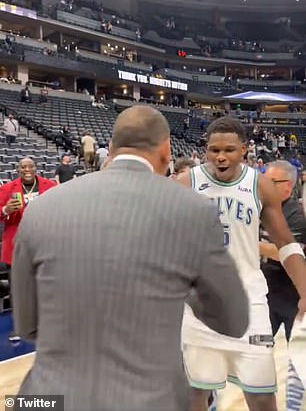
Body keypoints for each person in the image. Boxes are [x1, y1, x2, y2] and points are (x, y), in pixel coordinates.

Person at [12, 106, 249, 411]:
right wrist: (181, 287)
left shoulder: (42, 207)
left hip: (44, 400)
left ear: (110, 149)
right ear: (166, 152)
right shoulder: (194, 210)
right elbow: (234, 320)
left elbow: (27, 325)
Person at [178, 117, 306, 411]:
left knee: (261, 396)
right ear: (206, 150)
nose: (221, 156)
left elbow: (286, 243)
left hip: (250, 302)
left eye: (229, 150)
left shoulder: (258, 185)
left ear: (244, 150)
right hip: (199, 305)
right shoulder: (187, 183)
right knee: (194, 391)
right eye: (214, 150)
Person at [261, 161, 306, 411]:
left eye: (270, 181)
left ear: (287, 187)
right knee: (258, 352)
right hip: (267, 294)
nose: (264, 185)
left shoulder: (296, 216)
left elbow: (288, 253)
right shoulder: (267, 210)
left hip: (294, 297)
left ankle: (294, 405)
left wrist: (253, 244)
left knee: (297, 356)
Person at [0, 158, 55, 341]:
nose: (27, 169)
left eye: (30, 166)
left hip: (43, 242)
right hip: (16, 245)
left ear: (35, 168)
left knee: (45, 284)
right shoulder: (8, 189)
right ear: (18, 169)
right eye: (23, 167)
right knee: (17, 288)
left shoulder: (49, 186)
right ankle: (19, 327)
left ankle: (46, 323)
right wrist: (6, 210)